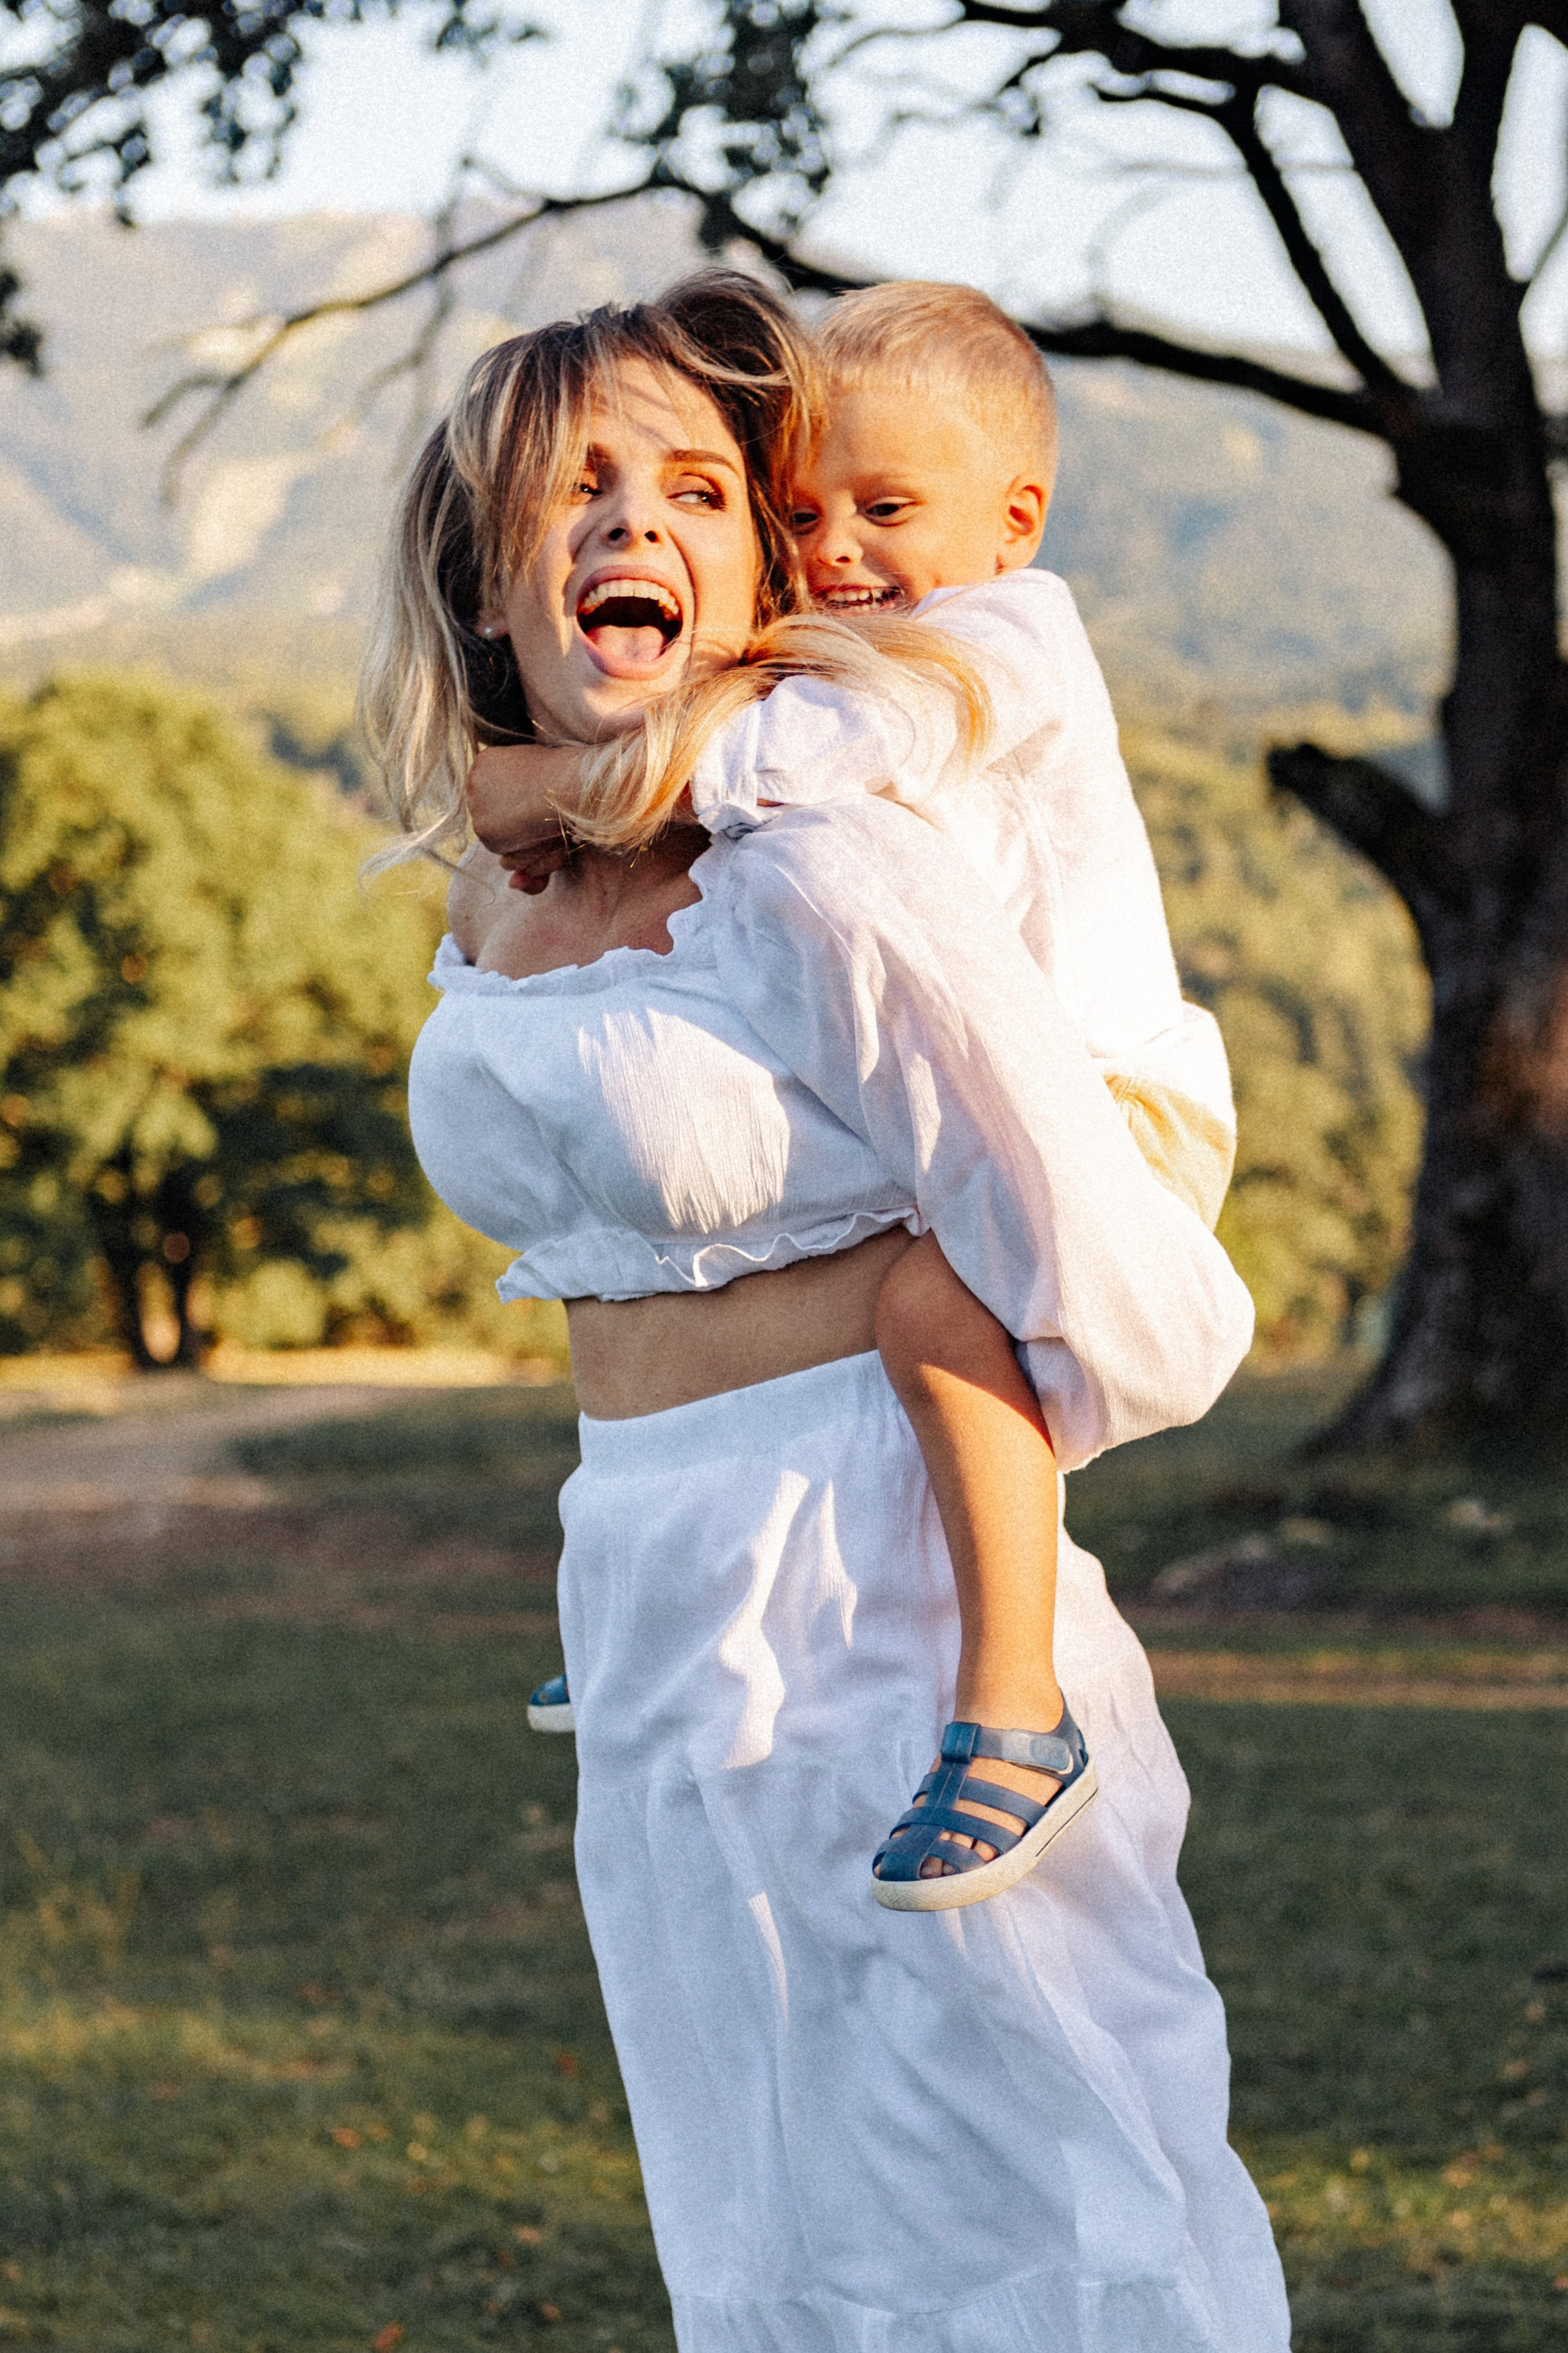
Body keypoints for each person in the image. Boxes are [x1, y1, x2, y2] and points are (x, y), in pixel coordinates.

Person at [362, 271, 1291, 2350]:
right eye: (576, 483)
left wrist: (959, 1362)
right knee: (764, 2208)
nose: (637, 523)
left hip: (882, 1585)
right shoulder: (499, 889)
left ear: (750, 573)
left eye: (699, 488)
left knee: (1018, 2193)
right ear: (481, 560)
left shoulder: (820, 864)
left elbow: (1133, 1278)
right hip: (646, 1600)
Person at [464, 280, 1235, 1909]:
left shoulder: (999, 644)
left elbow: (776, 761)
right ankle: (669, 1615)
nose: (836, 552)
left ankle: (1013, 1704)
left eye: (889, 509)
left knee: (934, 1315)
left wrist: (543, 777)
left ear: (1011, 523)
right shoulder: (865, 660)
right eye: (804, 510)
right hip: (1012, 1086)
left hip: (1121, 1103)